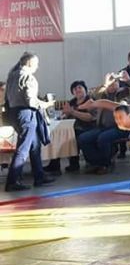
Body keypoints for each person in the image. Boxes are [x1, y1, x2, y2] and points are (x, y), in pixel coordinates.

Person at [4, 52, 56, 191]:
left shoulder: (12, 76)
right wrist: (45, 104)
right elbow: (31, 101)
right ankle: (12, 181)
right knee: (23, 148)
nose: (37, 67)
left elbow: (7, 98)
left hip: (14, 113)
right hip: (26, 114)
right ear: (30, 63)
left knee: (34, 146)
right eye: (36, 64)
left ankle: (39, 176)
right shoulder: (28, 77)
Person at [46, 80, 94, 174]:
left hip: (87, 127)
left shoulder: (90, 101)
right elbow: (65, 114)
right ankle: (55, 164)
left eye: (80, 87)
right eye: (75, 89)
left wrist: (73, 112)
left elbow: (90, 117)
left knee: (71, 135)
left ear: (85, 90)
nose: (77, 90)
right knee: (58, 135)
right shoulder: (72, 102)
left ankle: (73, 163)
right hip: (72, 128)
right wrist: (63, 115)